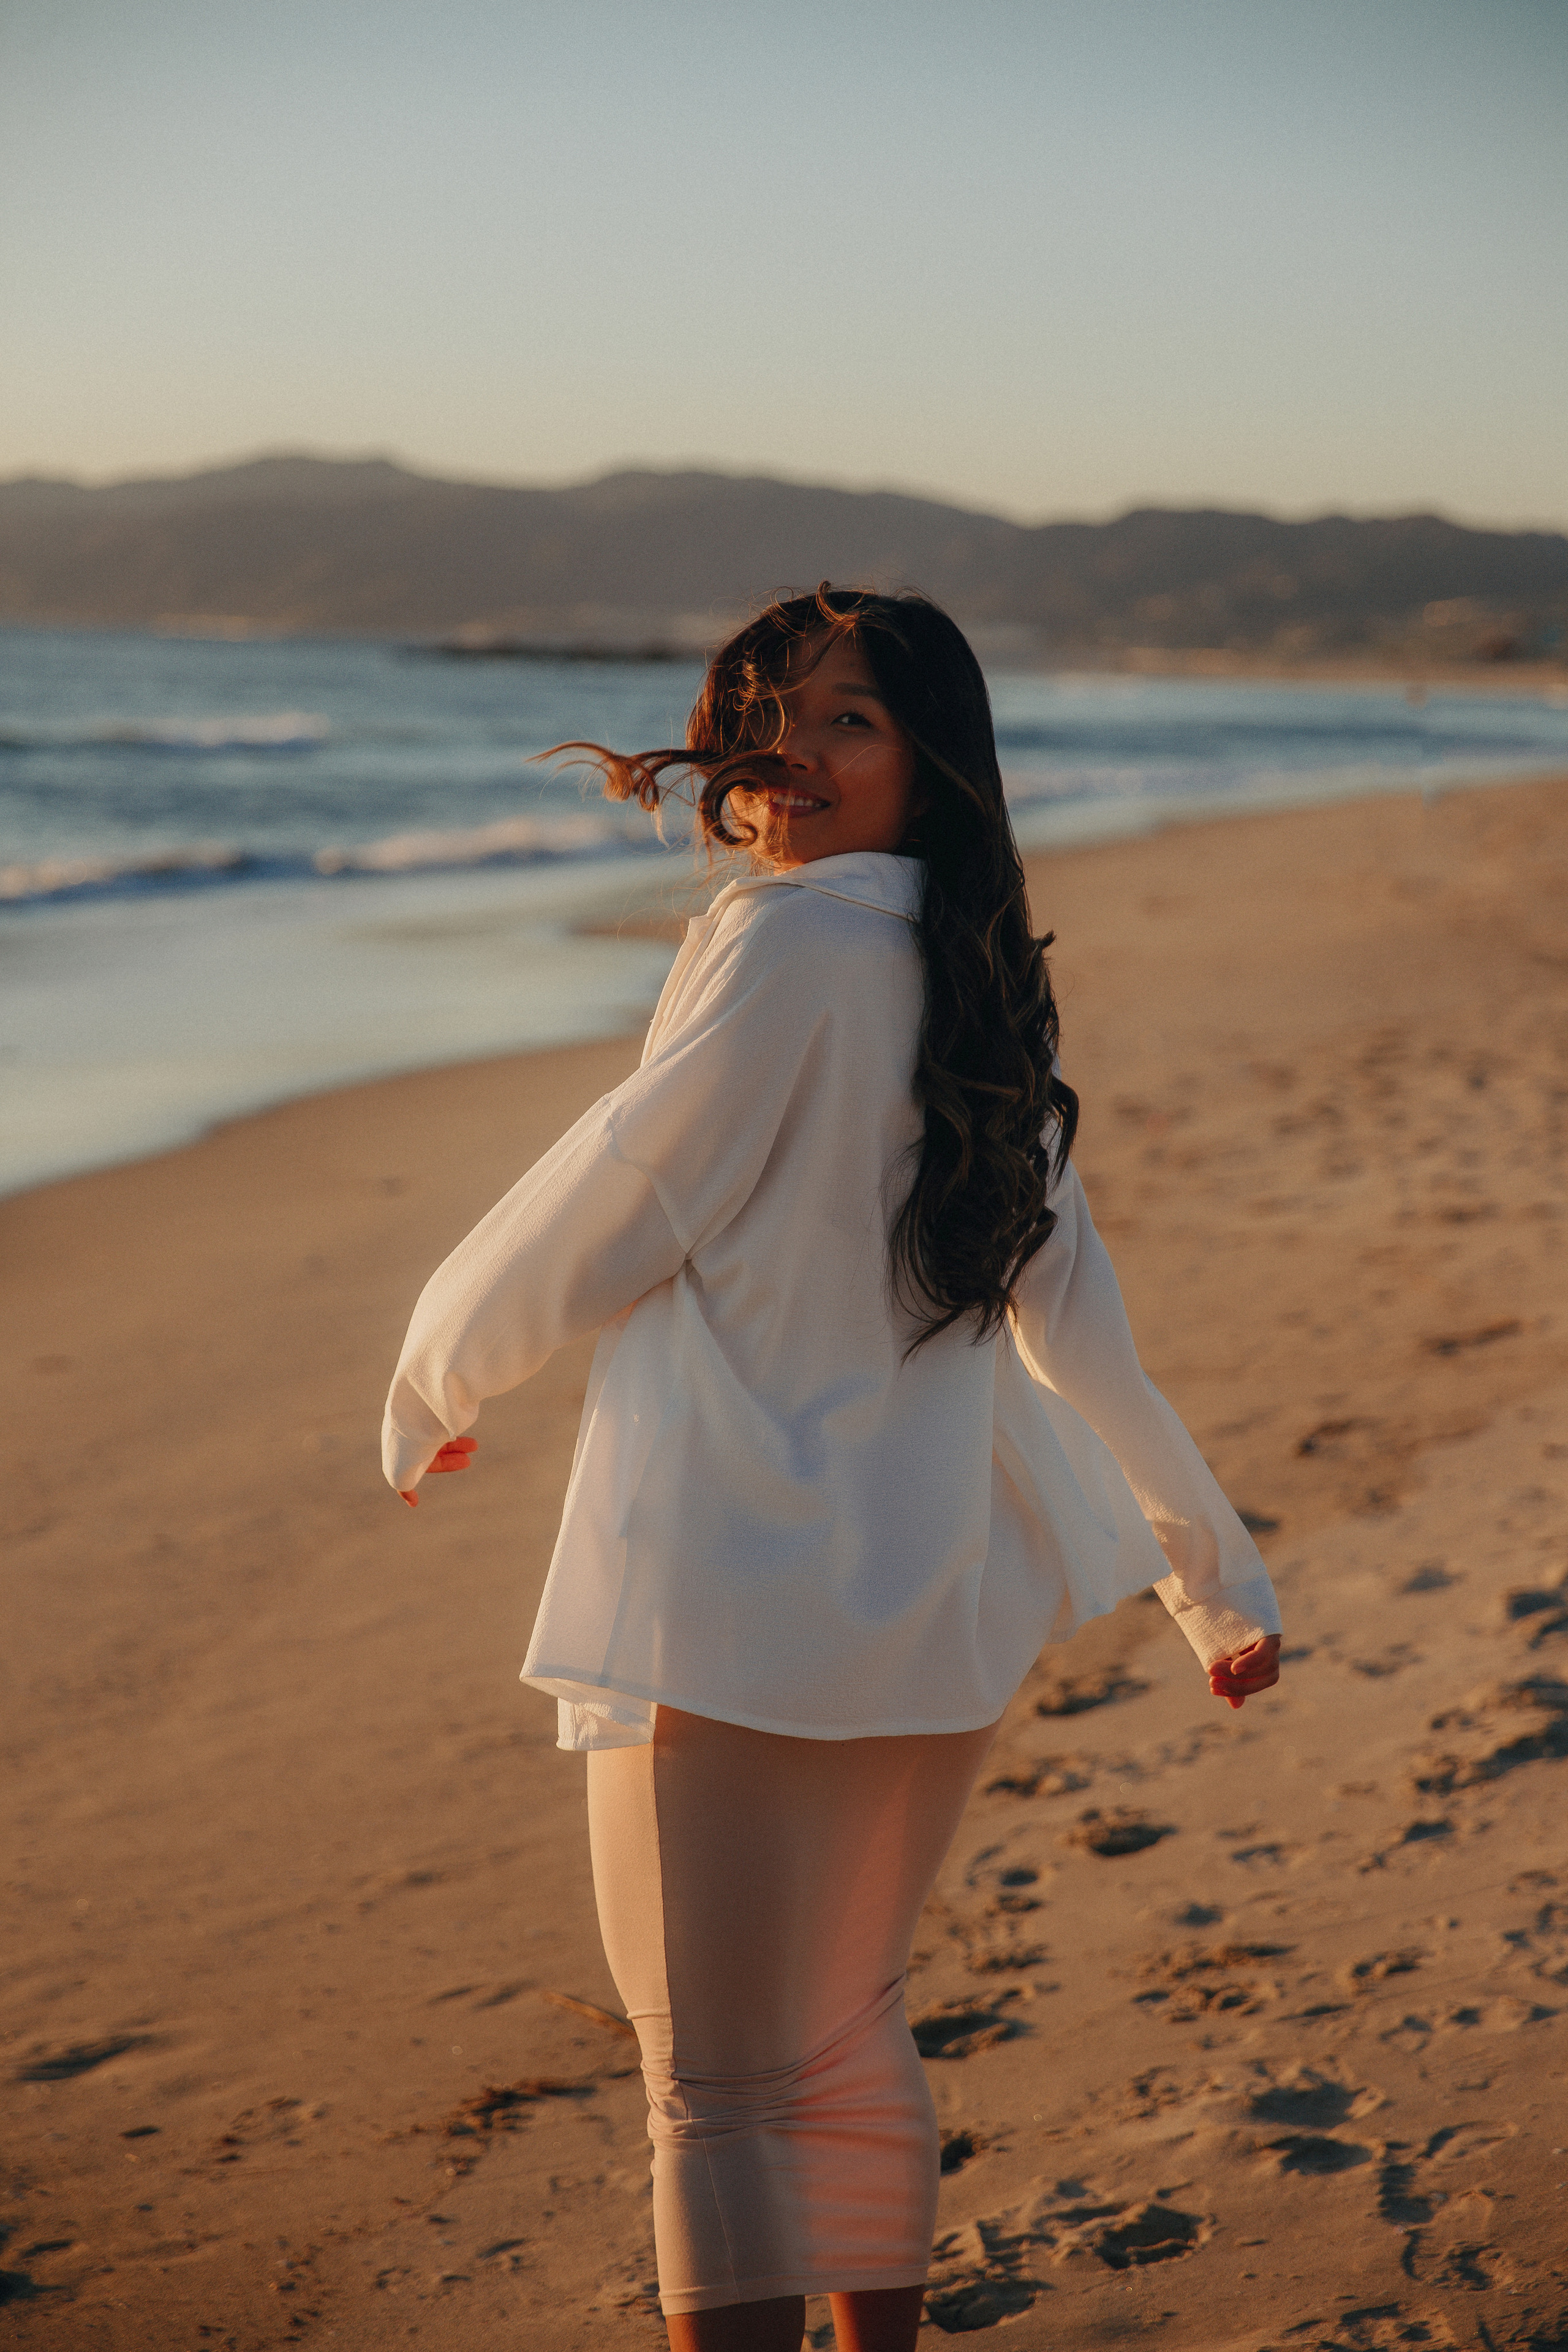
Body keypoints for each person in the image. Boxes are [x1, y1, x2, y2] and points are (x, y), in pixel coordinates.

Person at [382, 587, 1282, 2351]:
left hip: (729, 1584)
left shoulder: (785, 945)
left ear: (931, 765)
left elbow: (626, 1186)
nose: (789, 750)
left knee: (712, 2088)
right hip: (930, 1599)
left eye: (846, 719)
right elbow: (1077, 1325)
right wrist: (1212, 1574)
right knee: (848, 2026)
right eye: (767, 710)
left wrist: (439, 1363)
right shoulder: (981, 992)